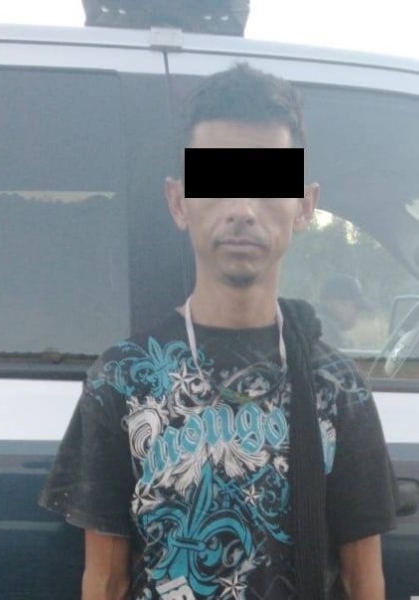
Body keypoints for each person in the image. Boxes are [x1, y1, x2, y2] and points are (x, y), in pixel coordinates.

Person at [38, 63, 397, 600]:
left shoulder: (337, 387)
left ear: (304, 205)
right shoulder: (123, 378)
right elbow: (106, 580)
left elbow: (362, 580)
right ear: (178, 201)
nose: (242, 209)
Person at [317, 275, 373, 349]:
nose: (357, 314)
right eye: (356, 308)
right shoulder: (324, 332)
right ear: (336, 304)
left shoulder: (320, 327)